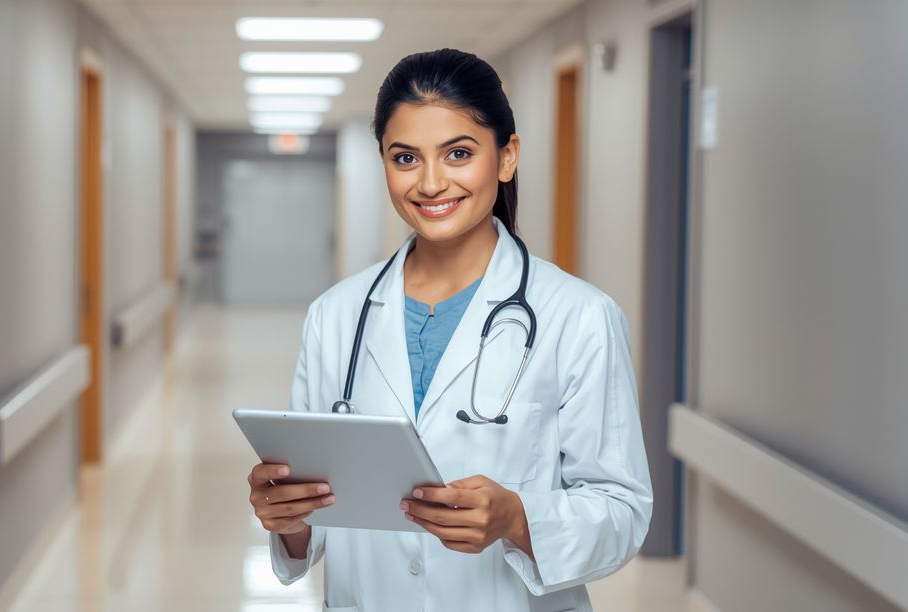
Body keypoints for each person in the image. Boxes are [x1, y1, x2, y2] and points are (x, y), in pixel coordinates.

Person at [245, 48, 652, 611]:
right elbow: (318, 515)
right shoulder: (335, 316)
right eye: (405, 157)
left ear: (506, 157)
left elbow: (622, 511)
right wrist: (287, 519)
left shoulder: (578, 316)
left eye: (458, 153)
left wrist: (518, 518)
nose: (431, 183)